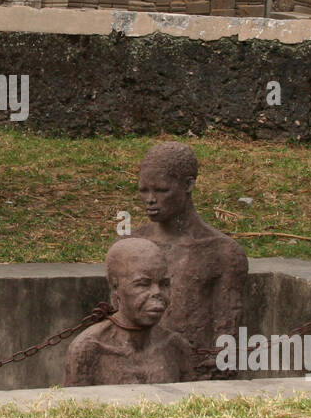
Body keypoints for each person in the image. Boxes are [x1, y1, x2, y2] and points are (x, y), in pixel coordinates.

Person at [133, 142, 247, 378]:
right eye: (144, 190)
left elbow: (225, 339)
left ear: (188, 185)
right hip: (136, 371)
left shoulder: (222, 252)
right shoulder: (132, 246)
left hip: (195, 375)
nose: (150, 199)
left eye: (162, 190)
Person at [64, 238, 198, 386]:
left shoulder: (176, 347)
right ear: (116, 287)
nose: (157, 292)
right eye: (142, 284)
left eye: (164, 284)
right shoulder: (89, 349)